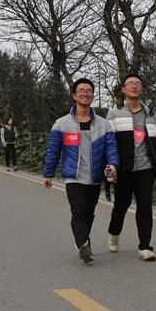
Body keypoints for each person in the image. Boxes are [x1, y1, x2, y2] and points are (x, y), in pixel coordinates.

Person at [43, 78, 119, 265]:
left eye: (88, 90)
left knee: (89, 212)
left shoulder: (104, 124)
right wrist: (48, 174)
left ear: (92, 95)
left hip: (95, 176)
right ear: (74, 95)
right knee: (78, 211)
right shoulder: (61, 124)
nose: (85, 93)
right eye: (81, 90)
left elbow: (111, 148)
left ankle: (83, 241)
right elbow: (53, 150)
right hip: (74, 176)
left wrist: (113, 164)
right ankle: (84, 243)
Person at [106, 74, 156, 261]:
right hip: (123, 169)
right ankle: (114, 233)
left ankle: (145, 247)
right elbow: (109, 142)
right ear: (123, 89)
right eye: (130, 84)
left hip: (145, 168)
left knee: (145, 207)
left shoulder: (151, 114)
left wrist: (154, 164)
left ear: (141, 89)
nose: (134, 86)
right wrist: (111, 165)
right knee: (121, 205)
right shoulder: (114, 113)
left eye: (138, 83)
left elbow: (155, 141)